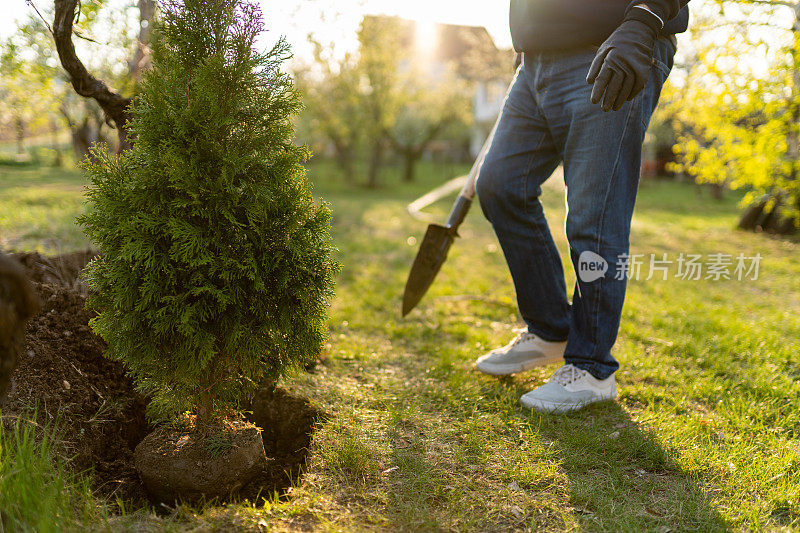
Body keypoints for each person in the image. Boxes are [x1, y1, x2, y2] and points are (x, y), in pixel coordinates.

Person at [475, 1, 690, 413]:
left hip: (613, 47)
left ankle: (592, 369)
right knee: (501, 186)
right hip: (534, 60)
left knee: (595, 217)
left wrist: (645, 20)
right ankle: (550, 330)